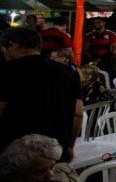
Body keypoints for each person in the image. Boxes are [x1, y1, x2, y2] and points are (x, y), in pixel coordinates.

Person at [0, 26, 83, 163]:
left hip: (15, 157)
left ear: (11, 45)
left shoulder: (5, 72)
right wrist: (69, 145)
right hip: (55, 153)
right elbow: (77, 114)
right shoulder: (69, 73)